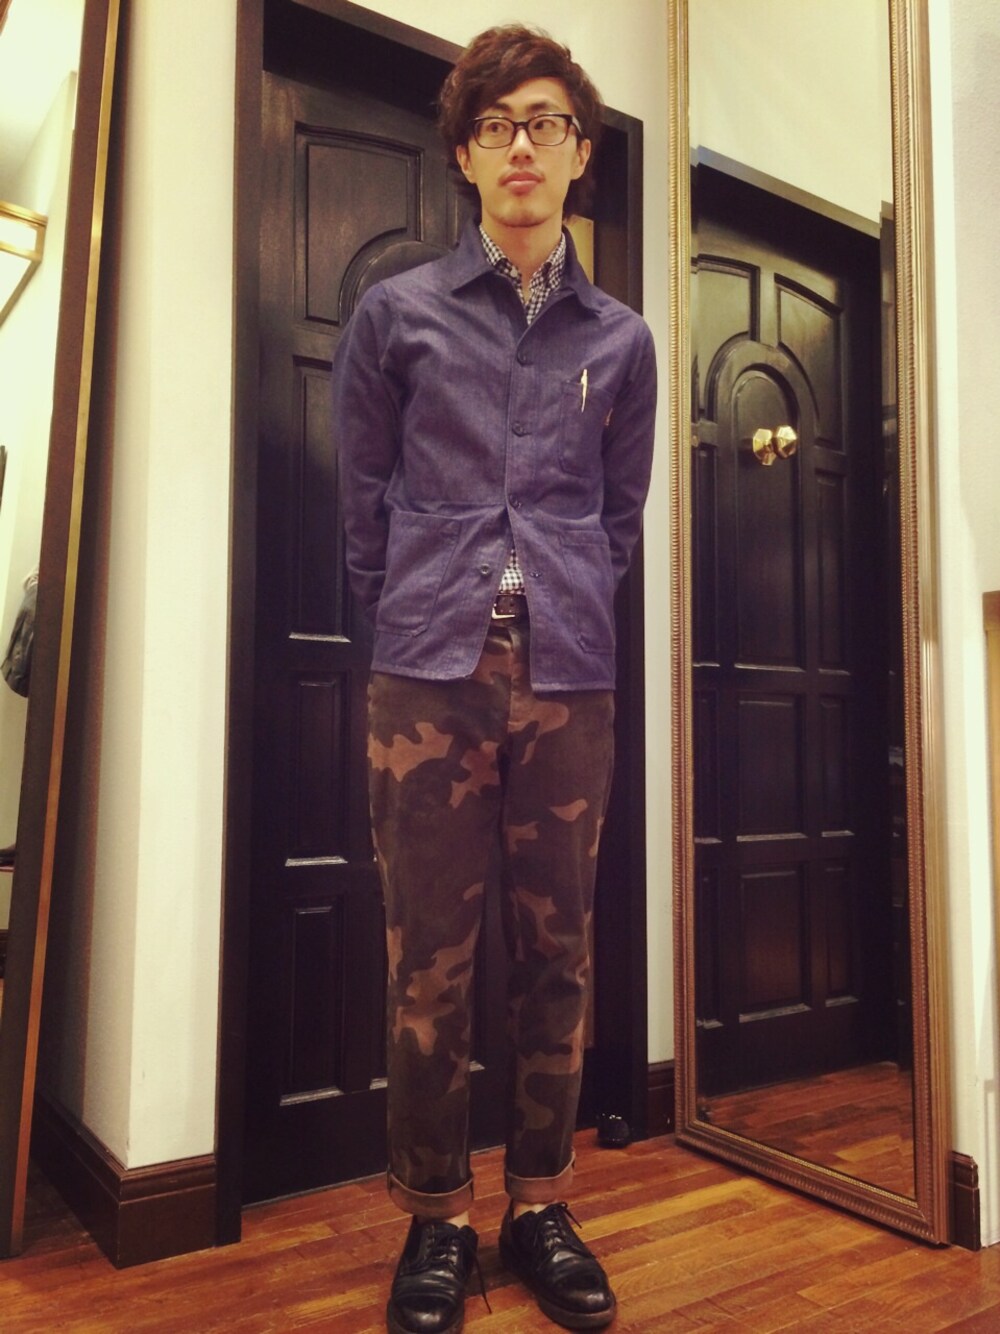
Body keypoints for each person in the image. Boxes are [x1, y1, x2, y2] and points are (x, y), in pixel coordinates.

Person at [332, 23, 656, 1333]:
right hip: (427, 674)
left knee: (559, 951)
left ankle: (540, 1202)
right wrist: (421, 609)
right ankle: (435, 1219)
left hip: (568, 675)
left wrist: (561, 596)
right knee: (430, 960)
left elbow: (619, 519)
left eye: (547, 122)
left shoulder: (622, 341)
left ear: (579, 153)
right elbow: (362, 508)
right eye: (498, 124)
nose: (523, 144)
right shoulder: (396, 313)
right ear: (466, 154)